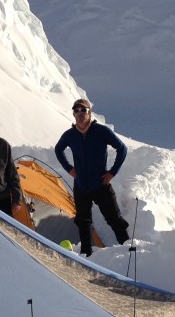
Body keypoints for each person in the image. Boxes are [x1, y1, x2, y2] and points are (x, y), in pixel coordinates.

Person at [54, 99, 130, 256]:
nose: (80, 113)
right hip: (81, 186)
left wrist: (112, 172)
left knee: (115, 220)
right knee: (83, 222)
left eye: (83, 110)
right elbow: (58, 149)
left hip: (101, 185)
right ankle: (86, 256)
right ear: (73, 114)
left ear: (90, 112)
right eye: (76, 110)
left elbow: (122, 148)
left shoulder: (101, 131)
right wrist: (69, 169)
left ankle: (129, 253)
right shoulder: (70, 135)